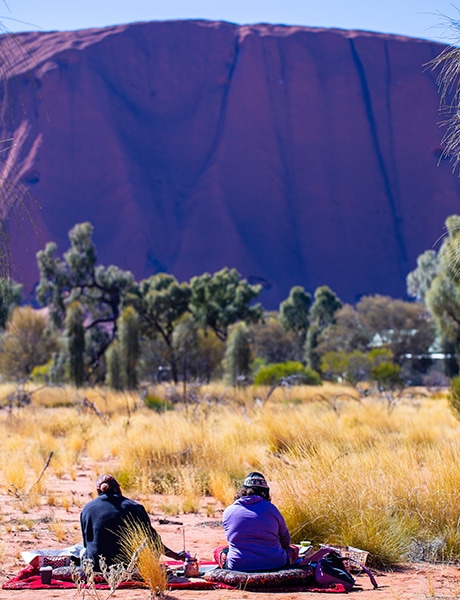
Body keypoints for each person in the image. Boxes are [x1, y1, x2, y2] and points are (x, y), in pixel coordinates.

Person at [80, 474, 186, 570]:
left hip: (96, 567)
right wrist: (176, 556)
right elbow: (153, 542)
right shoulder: (134, 507)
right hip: (128, 567)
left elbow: (87, 543)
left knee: (78, 550)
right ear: (118, 489)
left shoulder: (87, 509)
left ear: (98, 491)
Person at [217, 471, 299, 572]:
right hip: (275, 563)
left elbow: (232, 539)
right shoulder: (271, 509)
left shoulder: (228, 511)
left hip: (238, 565)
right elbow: (285, 540)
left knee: (219, 551)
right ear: (265, 492)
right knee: (293, 550)